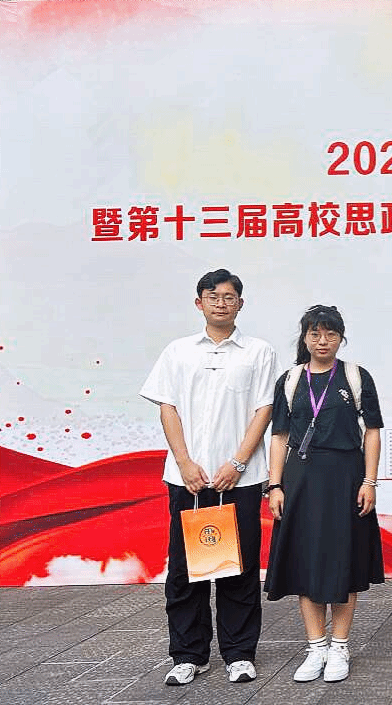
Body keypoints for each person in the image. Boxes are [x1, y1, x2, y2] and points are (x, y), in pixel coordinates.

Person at [140, 268, 277, 686]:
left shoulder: (258, 352)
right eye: (213, 296)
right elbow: (167, 407)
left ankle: (239, 653)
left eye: (229, 296)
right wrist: (184, 463)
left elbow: (265, 409)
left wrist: (237, 463)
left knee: (239, 566)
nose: (221, 303)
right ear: (199, 303)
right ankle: (189, 654)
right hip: (190, 479)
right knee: (186, 569)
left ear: (241, 303)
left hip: (239, 478)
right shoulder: (178, 351)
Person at [264, 305, 385, 683]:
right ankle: (316, 647)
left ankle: (340, 647)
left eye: (330, 334)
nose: (322, 341)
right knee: (307, 563)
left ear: (340, 338)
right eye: (315, 334)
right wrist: (275, 485)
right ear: (304, 338)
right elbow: (280, 436)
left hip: (346, 479)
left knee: (344, 563)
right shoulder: (290, 380)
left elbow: (373, 432)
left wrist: (369, 482)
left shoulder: (355, 376)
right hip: (301, 482)